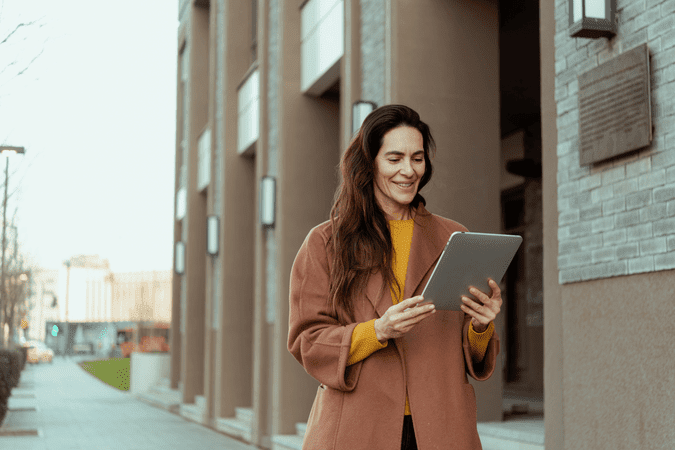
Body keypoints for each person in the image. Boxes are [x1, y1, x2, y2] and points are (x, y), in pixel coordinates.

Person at [287, 104, 501, 450]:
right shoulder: (325, 243)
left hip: (441, 428)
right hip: (357, 428)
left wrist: (481, 326)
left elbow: (471, 352)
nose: (408, 170)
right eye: (394, 158)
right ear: (369, 163)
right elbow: (307, 341)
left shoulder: (454, 237)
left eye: (417, 158)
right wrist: (377, 330)